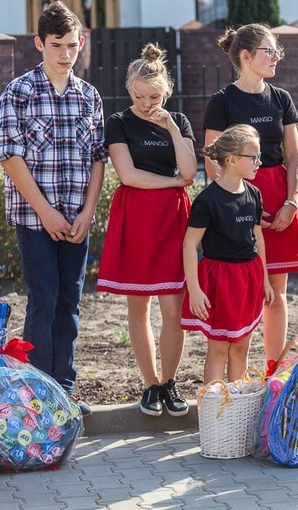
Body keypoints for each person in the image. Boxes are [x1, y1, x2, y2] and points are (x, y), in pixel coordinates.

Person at [0, 0, 108, 415]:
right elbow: (10, 157)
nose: (65, 54)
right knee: (43, 298)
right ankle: (37, 395)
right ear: (40, 43)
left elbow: (98, 157)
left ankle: (66, 390)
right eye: (57, 45)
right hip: (35, 218)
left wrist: (87, 213)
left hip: (77, 219)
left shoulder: (89, 95)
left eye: (72, 45)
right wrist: (46, 213)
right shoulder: (18, 92)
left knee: (70, 304)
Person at [96, 43, 198, 417]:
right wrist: (171, 184)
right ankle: (150, 385)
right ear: (129, 90)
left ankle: (169, 383)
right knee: (137, 309)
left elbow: (189, 172)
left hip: (173, 222)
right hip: (136, 217)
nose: (145, 102)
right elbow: (128, 175)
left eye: (153, 96)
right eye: (138, 95)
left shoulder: (179, 122)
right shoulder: (118, 122)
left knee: (174, 310)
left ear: (166, 92)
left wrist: (170, 126)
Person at [203, 24, 298, 373]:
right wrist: (239, 204)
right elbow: (212, 160)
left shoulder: (282, 98)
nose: (276, 56)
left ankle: (272, 371)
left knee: (276, 292)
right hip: (238, 200)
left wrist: (292, 200)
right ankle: (240, 374)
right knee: (245, 289)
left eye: (277, 50)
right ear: (246, 57)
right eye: (269, 50)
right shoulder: (221, 101)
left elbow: (295, 156)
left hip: (281, 196)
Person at [182, 124, 273, 383]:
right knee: (219, 348)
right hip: (220, 280)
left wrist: (265, 279)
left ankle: (235, 410)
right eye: (253, 157)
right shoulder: (208, 200)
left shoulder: (254, 194)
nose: (259, 162)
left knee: (242, 346)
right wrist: (195, 289)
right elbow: (190, 245)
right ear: (232, 160)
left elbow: (258, 238)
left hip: (249, 278)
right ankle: (215, 413)